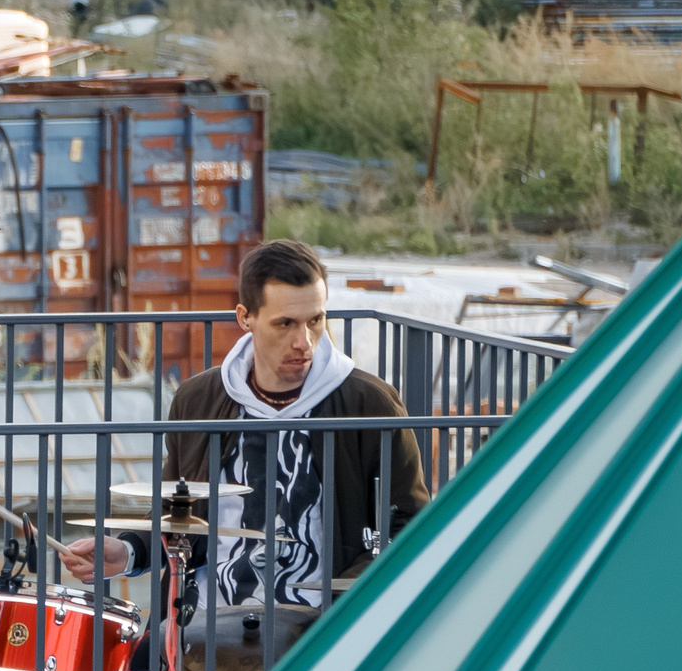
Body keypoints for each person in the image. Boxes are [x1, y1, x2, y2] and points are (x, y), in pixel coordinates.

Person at [59, 238, 429, 608]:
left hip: (322, 623)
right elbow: (179, 515)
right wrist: (128, 552)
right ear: (244, 318)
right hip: (207, 614)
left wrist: (355, 600)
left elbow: (411, 526)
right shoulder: (198, 400)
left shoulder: (369, 403)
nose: (304, 342)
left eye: (315, 320)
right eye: (285, 324)